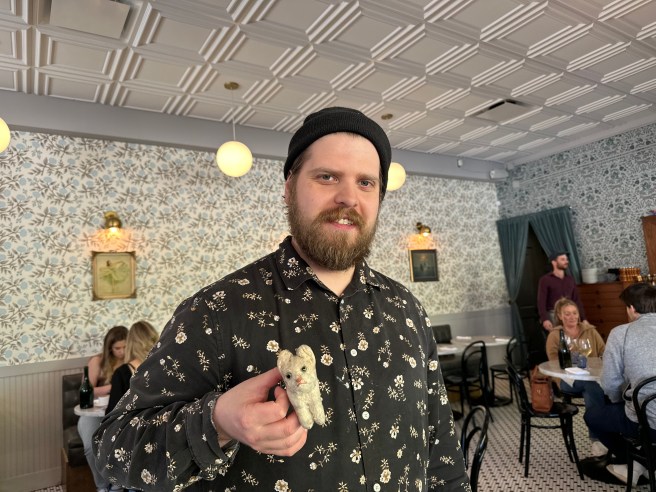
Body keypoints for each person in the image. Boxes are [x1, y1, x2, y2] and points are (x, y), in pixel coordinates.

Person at [94, 107, 470, 491]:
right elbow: (114, 451)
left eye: (365, 183)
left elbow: (441, 449)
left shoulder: (406, 309)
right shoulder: (216, 310)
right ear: (289, 188)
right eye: (327, 177)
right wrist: (218, 422)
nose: (348, 197)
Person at [584, 282, 656, 486]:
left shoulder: (621, 333)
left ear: (631, 308)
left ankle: (637, 461)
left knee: (593, 416)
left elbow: (610, 383)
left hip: (649, 421)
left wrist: (618, 401)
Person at [545, 297, 607, 456]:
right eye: (567, 314)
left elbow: (604, 352)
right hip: (567, 379)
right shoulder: (555, 335)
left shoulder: (590, 331)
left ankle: (616, 434)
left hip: (592, 375)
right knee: (592, 387)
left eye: (574, 313)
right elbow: (553, 363)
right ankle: (597, 439)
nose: (571, 317)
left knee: (603, 387)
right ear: (560, 316)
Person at [78, 325, 128, 492]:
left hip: (118, 413)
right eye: (117, 348)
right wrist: (114, 387)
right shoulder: (97, 361)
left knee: (122, 442)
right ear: (109, 347)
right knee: (90, 446)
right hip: (93, 413)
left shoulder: (132, 362)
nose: (122, 352)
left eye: (125, 347)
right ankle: (101, 485)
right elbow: (87, 391)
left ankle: (117, 484)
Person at [106, 320, 159, 414]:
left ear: (130, 343)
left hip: (137, 422)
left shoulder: (122, 373)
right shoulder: (168, 364)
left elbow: (113, 412)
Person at [537, 251, 586, 333]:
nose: (566, 261)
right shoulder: (545, 280)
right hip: (554, 314)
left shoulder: (570, 279)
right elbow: (541, 302)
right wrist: (545, 319)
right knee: (558, 338)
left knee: (575, 336)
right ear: (554, 262)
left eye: (566, 259)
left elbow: (577, 300)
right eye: (562, 259)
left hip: (570, 313)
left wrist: (583, 318)